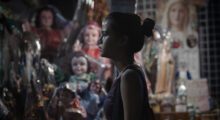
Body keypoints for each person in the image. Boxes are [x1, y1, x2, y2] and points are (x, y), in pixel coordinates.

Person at [98, 12, 155, 120]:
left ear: (123, 40)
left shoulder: (130, 76)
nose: (99, 40)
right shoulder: (123, 73)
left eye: (105, 34)